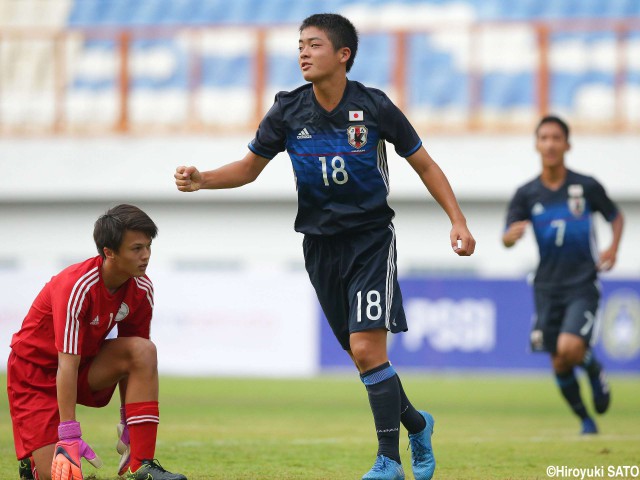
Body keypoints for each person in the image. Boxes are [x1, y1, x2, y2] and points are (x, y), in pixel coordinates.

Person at [175, 13, 475, 480]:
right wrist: (202, 180)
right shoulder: (288, 110)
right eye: (299, 45)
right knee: (364, 358)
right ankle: (418, 425)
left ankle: (388, 462)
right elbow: (249, 168)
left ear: (343, 55)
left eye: (313, 44)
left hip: (371, 241)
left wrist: (457, 220)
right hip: (318, 247)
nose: (302, 52)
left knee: (368, 350)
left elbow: (426, 165)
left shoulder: (374, 107)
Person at [7, 204, 187, 480]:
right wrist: (69, 435)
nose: (146, 256)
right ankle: (34, 464)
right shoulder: (77, 286)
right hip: (35, 376)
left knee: (143, 349)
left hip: (84, 366)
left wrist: (129, 422)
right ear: (109, 252)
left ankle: (140, 466)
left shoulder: (141, 287)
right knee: (61, 476)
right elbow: (65, 364)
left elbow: (134, 359)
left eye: (148, 246)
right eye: (136, 248)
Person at [502, 115, 624, 435]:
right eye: (544, 138)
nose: (550, 144)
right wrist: (509, 237)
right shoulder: (527, 193)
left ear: (567, 144)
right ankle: (586, 420)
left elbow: (616, 215)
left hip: (582, 282)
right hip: (546, 286)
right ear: (536, 144)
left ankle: (592, 365)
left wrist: (612, 248)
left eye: (557, 138)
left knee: (570, 348)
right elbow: (506, 235)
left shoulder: (585, 186)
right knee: (558, 361)